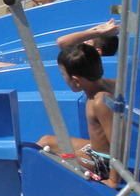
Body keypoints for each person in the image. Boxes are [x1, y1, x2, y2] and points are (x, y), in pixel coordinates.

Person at [38, 44, 120, 188]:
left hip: (103, 164)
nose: (63, 78)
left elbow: (118, 145)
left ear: (76, 81)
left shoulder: (100, 102)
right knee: (46, 141)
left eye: (63, 75)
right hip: (95, 149)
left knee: (48, 158)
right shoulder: (105, 82)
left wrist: (113, 181)